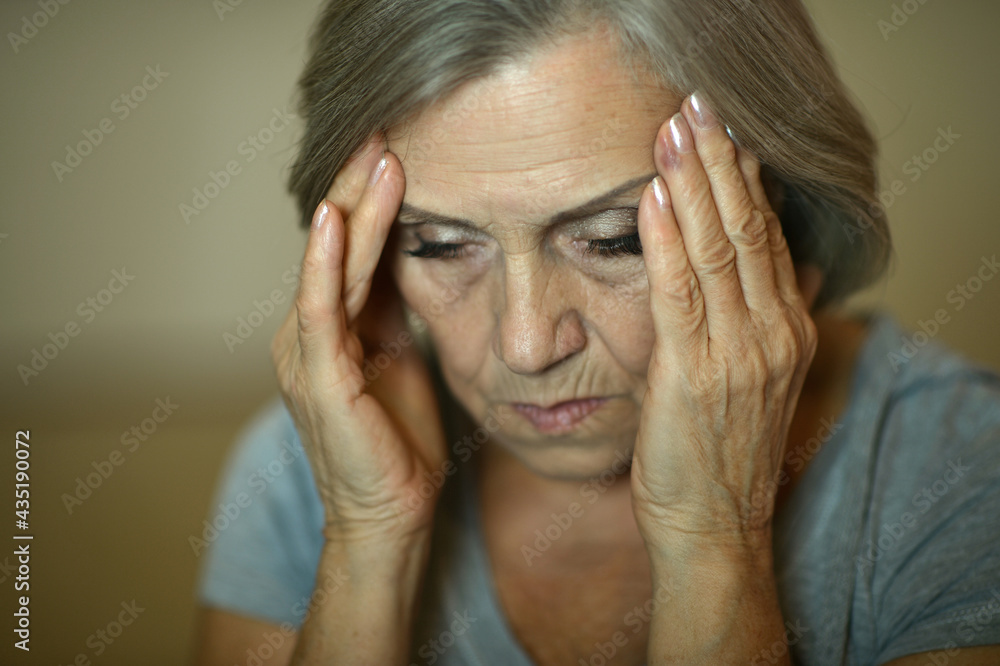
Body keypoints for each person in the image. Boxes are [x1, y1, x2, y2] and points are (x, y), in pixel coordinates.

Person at [192, 1, 1000, 664]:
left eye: (615, 239)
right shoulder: (315, 468)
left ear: (777, 224)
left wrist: (714, 539)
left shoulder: (959, 469)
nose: (527, 345)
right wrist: (368, 543)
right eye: (439, 246)